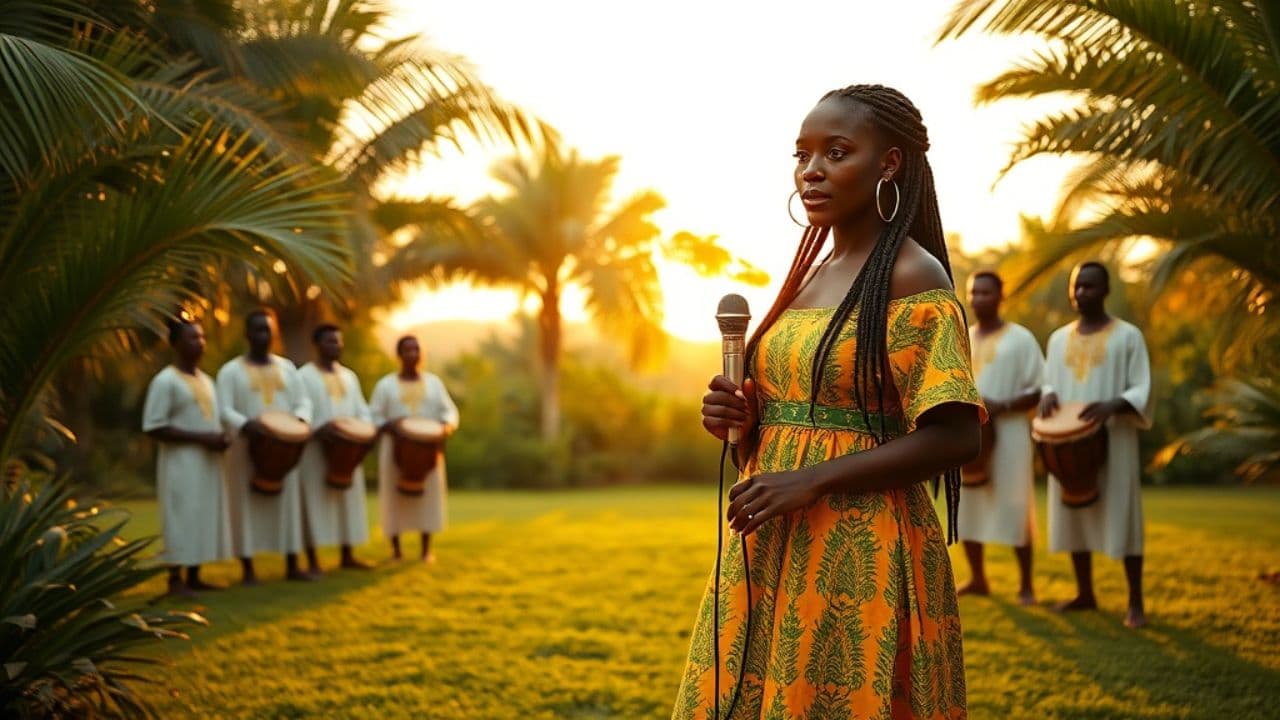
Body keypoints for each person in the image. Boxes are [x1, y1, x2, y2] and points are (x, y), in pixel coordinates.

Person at [673, 84, 984, 719]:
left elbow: (957, 436)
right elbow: (797, 421)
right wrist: (743, 423)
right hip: (771, 539)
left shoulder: (912, 275)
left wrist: (812, 479)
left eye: (836, 153)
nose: (811, 170)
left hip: (860, 548)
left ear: (889, 163)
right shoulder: (806, 277)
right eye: (802, 155)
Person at [1039, 261, 1152, 628]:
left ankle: (1135, 602)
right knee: (1074, 516)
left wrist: (1113, 405)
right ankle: (1085, 593)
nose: (1081, 293)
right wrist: (1047, 394)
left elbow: (1142, 387)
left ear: (1106, 290)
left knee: (1124, 513)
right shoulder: (1058, 339)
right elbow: (1048, 381)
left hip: (1115, 439)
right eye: (1076, 287)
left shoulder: (1128, 336)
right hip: (1068, 444)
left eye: (1088, 286)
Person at [956, 271, 1043, 604]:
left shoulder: (1020, 339)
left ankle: (1026, 585)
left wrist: (1001, 405)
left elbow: (1040, 388)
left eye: (986, 292)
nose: (978, 298)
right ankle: (978, 578)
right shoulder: (962, 338)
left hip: (1011, 434)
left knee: (1015, 504)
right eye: (974, 292)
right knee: (968, 507)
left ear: (1001, 296)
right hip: (970, 436)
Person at [215, 310, 313, 585]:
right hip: (246, 447)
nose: (263, 335)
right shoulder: (230, 371)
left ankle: (292, 563)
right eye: (258, 330)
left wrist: (299, 422)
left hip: (285, 449)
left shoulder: (287, 368)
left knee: (289, 506)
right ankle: (248, 568)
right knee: (244, 506)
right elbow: (224, 409)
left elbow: (303, 402)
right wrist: (246, 425)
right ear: (247, 334)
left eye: (268, 330)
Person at [142, 319, 232, 597]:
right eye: (193, 338)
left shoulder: (206, 381)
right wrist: (203, 438)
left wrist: (220, 439)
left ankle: (194, 576)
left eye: (202, 337)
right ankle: (175, 579)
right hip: (181, 464)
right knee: (180, 517)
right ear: (175, 344)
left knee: (201, 516)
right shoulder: (166, 381)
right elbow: (154, 426)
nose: (200, 343)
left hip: (207, 463)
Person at [370, 335, 458, 563]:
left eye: (416, 350)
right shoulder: (386, 385)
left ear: (422, 354)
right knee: (393, 497)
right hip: (395, 448)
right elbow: (374, 415)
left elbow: (449, 411)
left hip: (428, 450)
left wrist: (446, 427)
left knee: (429, 497)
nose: (413, 354)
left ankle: (426, 550)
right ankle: (396, 550)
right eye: (407, 350)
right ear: (399, 355)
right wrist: (393, 426)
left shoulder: (434, 383)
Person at [297, 324, 374, 575]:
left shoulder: (349, 376)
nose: (335, 346)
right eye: (330, 341)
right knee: (314, 502)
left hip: (348, 451)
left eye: (338, 341)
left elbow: (362, 409)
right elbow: (301, 409)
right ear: (317, 345)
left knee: (348, 504)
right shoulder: (304, 376)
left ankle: (347, 555)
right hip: (316, 447)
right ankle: (313, 560)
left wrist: (363, 430)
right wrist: (316, 429)